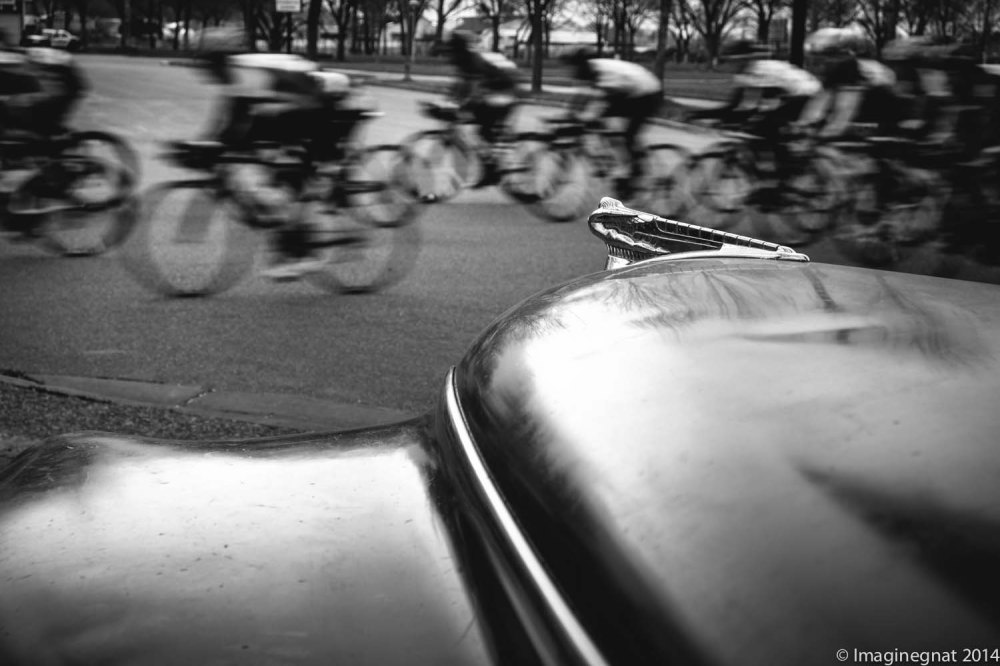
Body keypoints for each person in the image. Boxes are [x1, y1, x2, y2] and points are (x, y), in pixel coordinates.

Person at [194, 46, 356, 281]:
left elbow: (237, 125)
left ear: (218, 65)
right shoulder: (236, 75)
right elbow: (226, 121)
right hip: (298, 109)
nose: (206, 77)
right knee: (264, 161)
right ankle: (291, 236)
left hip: (320, 112)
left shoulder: (246, 75)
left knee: (290, 180)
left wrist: (213, 148)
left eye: (207, 71)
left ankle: (304, 251)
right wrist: (203, 144)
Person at [687, 41, 820, 184]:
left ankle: (782, 173)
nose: (731, 65)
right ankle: (779, 168)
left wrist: (727, 120)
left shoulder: (759, 70)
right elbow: (734, 106)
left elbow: (749, 109)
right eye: (730, 62)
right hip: (792, 94)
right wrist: (700, 114)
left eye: (734, 61)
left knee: (765, 125)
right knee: (763, 126)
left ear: (744, 59)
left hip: (805, 94)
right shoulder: (744, 73)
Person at [563, 48, 664, 199]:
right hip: (631, 91)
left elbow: (604, 101)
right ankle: (613, 160)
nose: (571, 72)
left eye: (573, 68)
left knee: (628, 135)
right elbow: (582, 96)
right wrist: (568, 115)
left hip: (648, 93)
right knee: (602, 124)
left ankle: (633, 171)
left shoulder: (604, 73)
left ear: (581, 66)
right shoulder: (591, 70)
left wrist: (583, 118)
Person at [439, 31, 521, 187]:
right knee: (481, 125)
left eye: (451, 50)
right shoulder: (463, 61)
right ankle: (491, 163)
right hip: (495, 91)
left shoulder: (473, 60)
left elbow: (474, 90)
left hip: (506, 91)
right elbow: (459, 86)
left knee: (482, 128)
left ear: (459, 49)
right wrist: (444, 103)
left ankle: (491, 170)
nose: (449, 55)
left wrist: (461, 108)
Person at [800, 28, 899, 139]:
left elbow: (846, 108)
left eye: (828, 56)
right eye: (817, 59)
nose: (822, 63)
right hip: (861, 109)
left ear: (844, 54)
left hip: (883, 113)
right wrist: (805, 124)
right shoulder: (837, 70)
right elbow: (820, 100)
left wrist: (829, 133)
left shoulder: (853, 70)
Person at [0, 42, 87, 138]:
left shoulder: (11, 57)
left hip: (65, 84)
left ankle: (43, 136)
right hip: (65, 80)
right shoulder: (17, 53)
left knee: (31, 117)